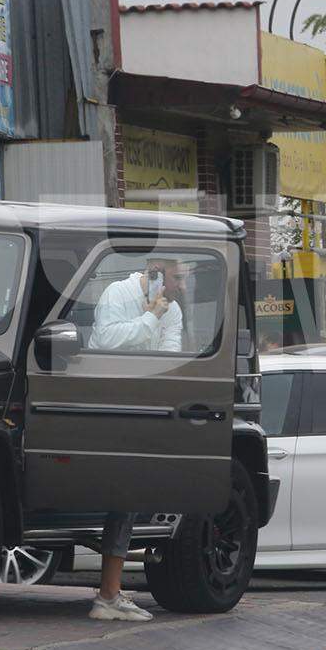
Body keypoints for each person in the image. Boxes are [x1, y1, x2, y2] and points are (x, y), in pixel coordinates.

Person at [85, 258, 188, 622]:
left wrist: (156, 317)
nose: (182, 287)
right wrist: (149, 319)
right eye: (177, 278)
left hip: (143, 404)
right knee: (124, 495)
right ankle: (108, 594)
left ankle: (110, 592)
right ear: (157, 274)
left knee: (129, 497)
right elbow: (106, 342)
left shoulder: (172, 310)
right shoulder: (118, 293)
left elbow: (169, 359)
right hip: (107, 402)